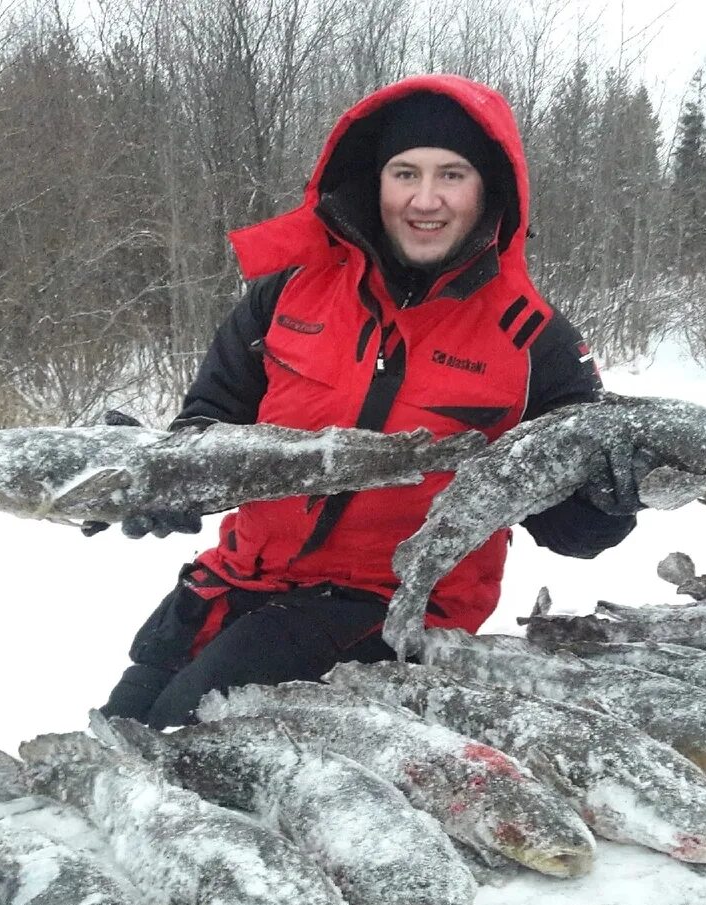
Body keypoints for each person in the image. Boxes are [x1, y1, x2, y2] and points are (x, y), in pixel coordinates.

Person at [98, 74, 644, 728]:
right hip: (239, 581)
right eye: (405, 173)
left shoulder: (535, 342)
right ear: (374, 181)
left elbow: (571, 530)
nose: (426, 199)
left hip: (392, 609)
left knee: (176, 741)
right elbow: (209, 424)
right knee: (120, 731)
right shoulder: (287, 295)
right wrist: (160, 481)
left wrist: (613, 494)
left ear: (489, 187)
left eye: (453, 174)